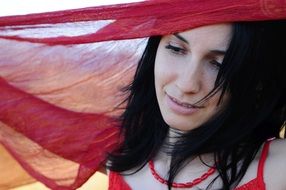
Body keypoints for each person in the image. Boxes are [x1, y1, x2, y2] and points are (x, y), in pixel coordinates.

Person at [0, 1, 285, 190]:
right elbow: (17, 106)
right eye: (176, 49)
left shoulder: (277, 169)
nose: (187, 84)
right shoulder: (122, 149)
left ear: (257, 80)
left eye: (219, 64)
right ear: (155, 51)